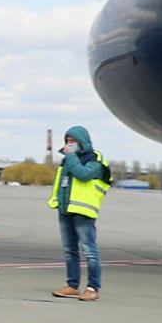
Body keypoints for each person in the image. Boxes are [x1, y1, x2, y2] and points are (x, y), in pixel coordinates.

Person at [49, 126, 112, 301]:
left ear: (82, 141)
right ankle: (72, 285)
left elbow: (83, 175)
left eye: (73, 141)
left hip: (83, 211)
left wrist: (70, 156)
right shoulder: (67, 161)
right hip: (66, 209)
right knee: (70, 250)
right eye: (67, 141)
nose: (69, 144)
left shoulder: (95, 160)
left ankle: (93, 287)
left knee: (89, 250)